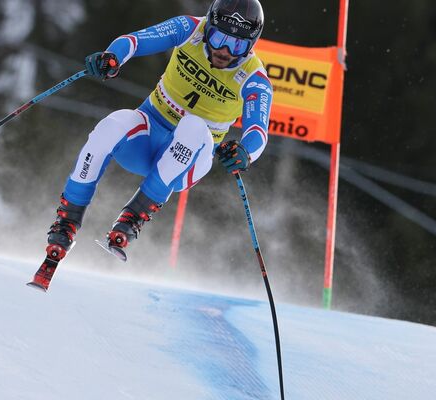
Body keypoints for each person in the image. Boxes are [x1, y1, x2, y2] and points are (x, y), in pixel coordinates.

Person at [40, 0, 272, 280]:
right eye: (218, 38)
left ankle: (132, 217)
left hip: (187, 162)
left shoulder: (254, 77)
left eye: (237, 45)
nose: (224, 50)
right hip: (147, 139)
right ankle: (66, 222)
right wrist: (112, 57)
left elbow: (258, 131)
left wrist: (245, 151)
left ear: (251, 44)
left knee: (194, 126)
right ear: (208, 26)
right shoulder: (190, 29)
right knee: (113, 123)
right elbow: (134, 41)